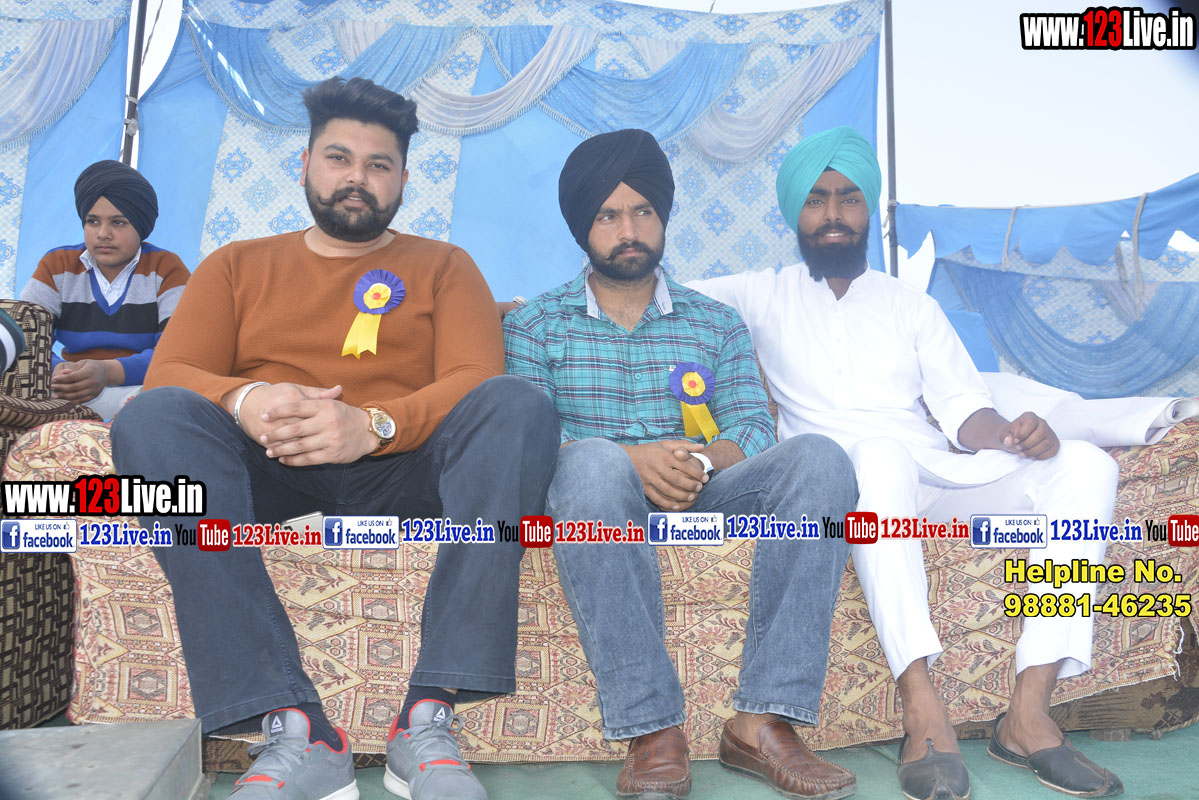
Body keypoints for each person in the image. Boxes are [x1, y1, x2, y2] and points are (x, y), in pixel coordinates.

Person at [111, 76, 560, 800]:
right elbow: (171, 374)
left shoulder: (446, 266)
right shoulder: (236, 265)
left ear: (403, 180)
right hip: (266, 469)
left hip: (407, 472)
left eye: (379, 165)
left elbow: (476, 379)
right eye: (339, 158)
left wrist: (373, 426)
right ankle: (297, 730)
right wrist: (246, 398)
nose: (357, 178)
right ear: (305, 166)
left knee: (517, 404)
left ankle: (427, 719)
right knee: (149, 419)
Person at [688, 126, 1123, 800]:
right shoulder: (758, 294)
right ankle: (921, 707)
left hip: (931, 477)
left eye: (848, 197)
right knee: (879, 455)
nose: (833, 213)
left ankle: (1029, 712)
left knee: (1088, 465)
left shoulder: (910, 305)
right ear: (794, 214)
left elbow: (964, 410)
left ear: (868, 208)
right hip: (850, 483)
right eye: (816, 200)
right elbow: (648, 289)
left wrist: (1014, 433)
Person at [504, 128, 858, 800]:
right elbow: (526, 438)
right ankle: (652, 729)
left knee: (820, 459)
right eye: (607, 215)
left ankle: (764, 721)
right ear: (582, 228)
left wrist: (699, 459)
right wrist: (629, 460)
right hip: (592, 496)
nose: (628, 230)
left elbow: (752, 427)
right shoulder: (534, 326)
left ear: (662, 217)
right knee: (593, 466)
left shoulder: (715, 322)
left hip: (704, 488)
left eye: (643, 211)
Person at [18, 160, 190, 419]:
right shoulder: (58, 265)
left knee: (176, 401)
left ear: (141, 225)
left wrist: (107, 372)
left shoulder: (166, 269)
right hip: (67, 391)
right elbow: (24, 339)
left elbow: (177, 353)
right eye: (93, 221)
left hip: (140, 391)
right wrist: (59, 371)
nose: (103, 234)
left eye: (118, 223)